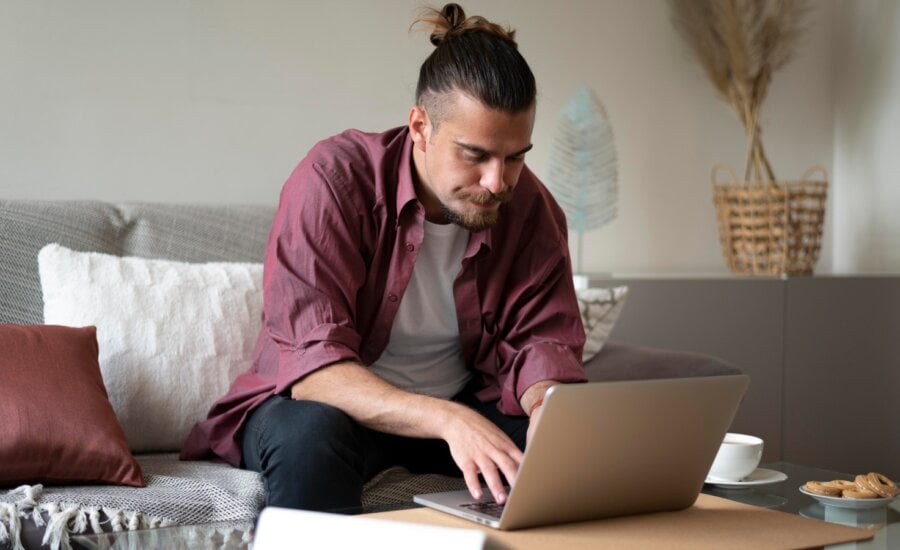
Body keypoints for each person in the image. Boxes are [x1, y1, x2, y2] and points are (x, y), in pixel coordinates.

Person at [180, 3, 587, 513]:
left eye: (516, 156)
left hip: (461, 403)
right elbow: (314, 369)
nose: (497, 182)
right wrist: (448, 420)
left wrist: (550, 415)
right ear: (420, 127)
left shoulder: (530, 209)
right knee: (311, 439)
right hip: (324, 407)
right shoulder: (334, 181)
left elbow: (541, 345)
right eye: (475, 154)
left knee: (569, 458)